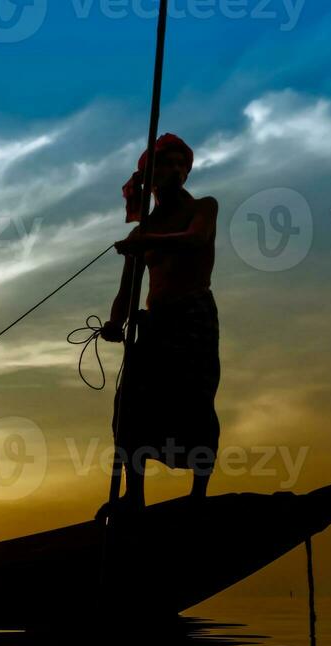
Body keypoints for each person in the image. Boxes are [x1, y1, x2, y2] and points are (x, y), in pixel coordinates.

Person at [101, 133, 221, 514]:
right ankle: (133, 497)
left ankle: (197, 496)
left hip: (193, 316)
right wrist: (114, 322)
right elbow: (127, 290)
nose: (174, 171)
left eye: (179, 165)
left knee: (194, 399)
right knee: (131, 404)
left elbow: (195, 239)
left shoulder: (203, 208)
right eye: (165, 165)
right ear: (150, 178)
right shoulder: (142, 233)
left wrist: (146, 241)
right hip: (154, 323)